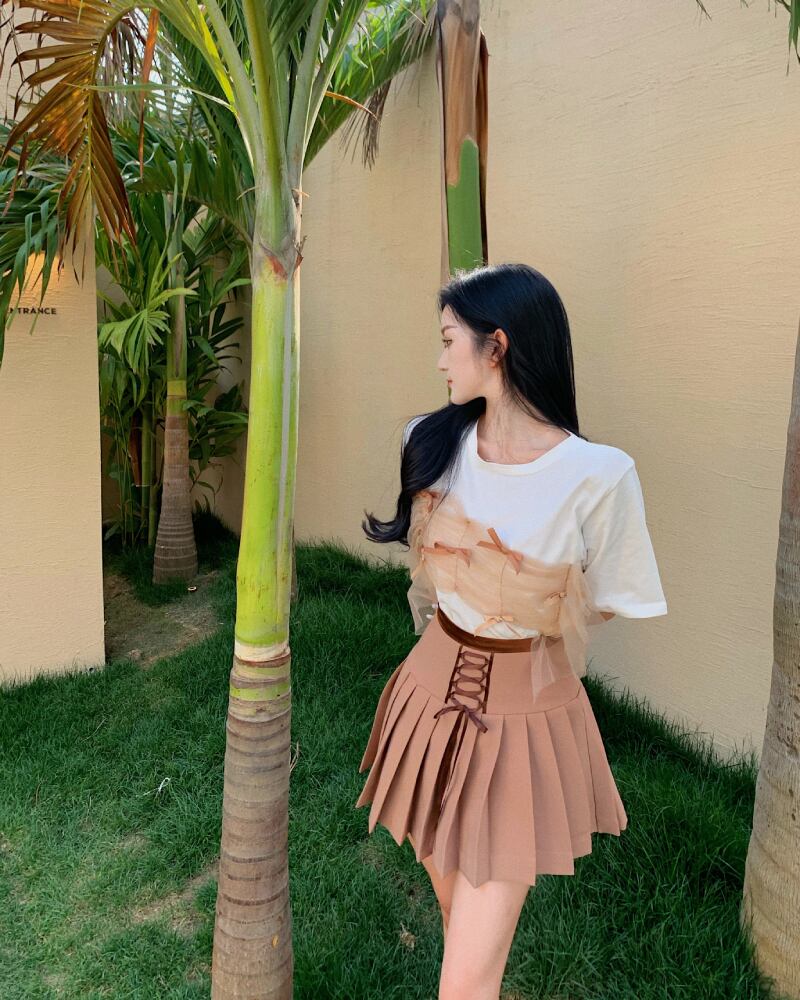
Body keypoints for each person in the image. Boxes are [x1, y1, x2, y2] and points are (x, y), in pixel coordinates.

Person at [355, 262, 668, 1000]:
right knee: (457, 923)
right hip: (427, 696)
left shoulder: (600, 475)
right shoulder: (433, 441)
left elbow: (610, 598)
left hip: (525, 721)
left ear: (496, 346)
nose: (439, 361)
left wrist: (528, 605)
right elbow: (428, 575)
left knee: (465, 978)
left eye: (448, 341)